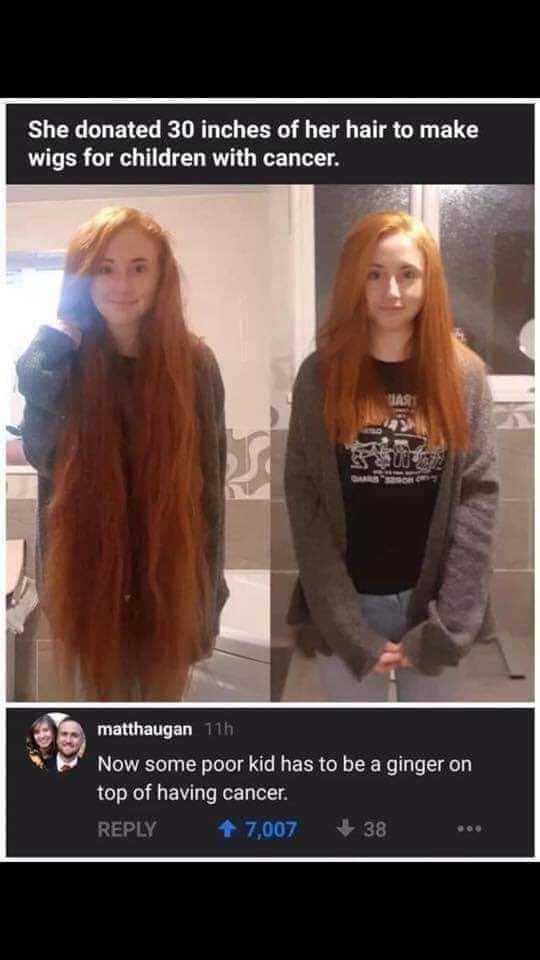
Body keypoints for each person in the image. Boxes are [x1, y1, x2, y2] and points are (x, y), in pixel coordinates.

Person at [285, 211, 500, 701]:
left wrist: (448, 623)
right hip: (345, 605)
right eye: (374, 274)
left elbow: (479, 499)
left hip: (435, 608)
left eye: (408, 274)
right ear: (353, 280)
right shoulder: (320, 375)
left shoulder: (465, 375)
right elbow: (305, 500)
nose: (392, 292)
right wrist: (344, 624)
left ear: (429, 282)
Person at [17, 206, 229, 700]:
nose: (122, 283)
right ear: (83, 277)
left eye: (139, 267)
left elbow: (210, 493)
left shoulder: (195, 364)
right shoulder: (62, 360)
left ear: (161, 277)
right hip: (88, 585)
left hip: (171, 585)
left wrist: (208, 603)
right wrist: (50, 350)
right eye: (104, 268)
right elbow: (41, 454)